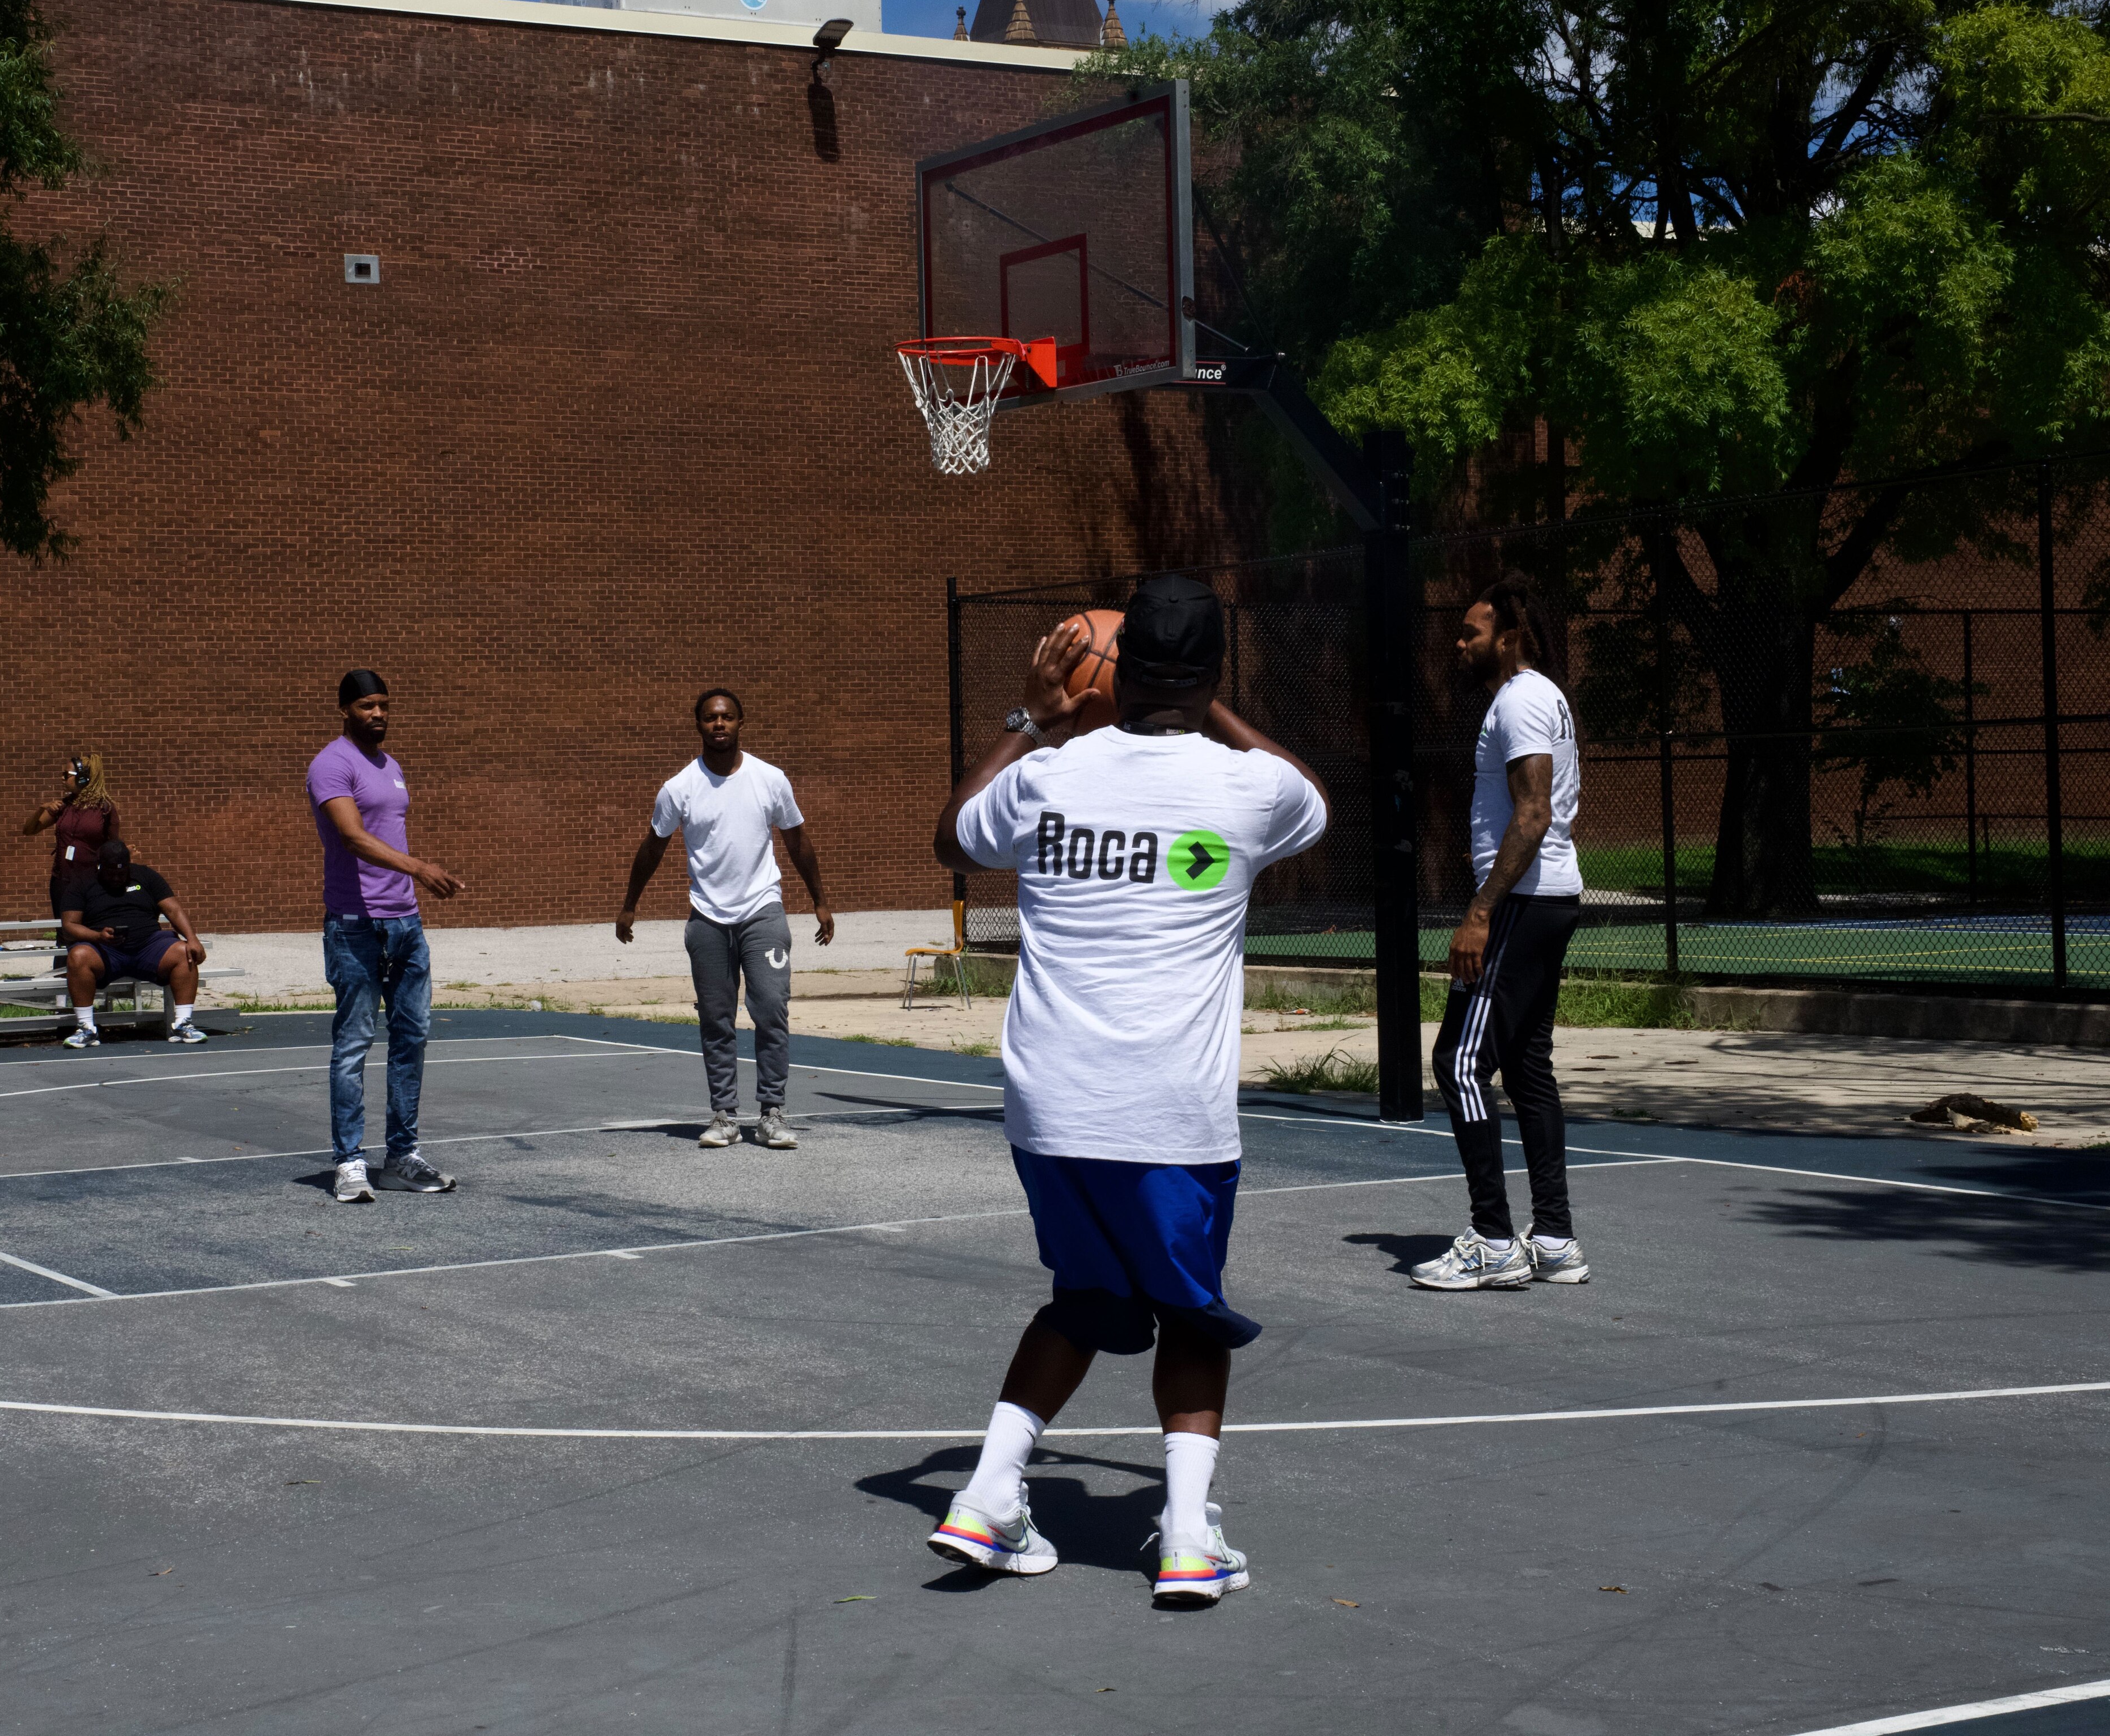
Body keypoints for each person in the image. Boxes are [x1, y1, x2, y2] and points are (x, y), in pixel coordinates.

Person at [929, 574, 1327, 1604]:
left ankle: (984, 1498)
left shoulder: (1049, 774)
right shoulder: (1247, 790)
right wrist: (1212, 704)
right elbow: (1302, 787)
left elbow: (951, 835)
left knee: (1086, 1296)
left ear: (1114, 668)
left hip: (1051, 1107)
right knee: (1189, 1317)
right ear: (1210, 674)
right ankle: (1189, 1538)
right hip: (1171, 1114)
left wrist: (1034, 719)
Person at [1411, 574, 1590, 1291]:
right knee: (1525, 1068)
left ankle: (1491, 1238)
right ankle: (1551, 1238)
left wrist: (1480, 910)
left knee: (1458, 1062)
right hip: (1546, 897)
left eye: (1470, 632)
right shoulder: (1541, 697)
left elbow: (1534, 813)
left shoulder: (1519, 700)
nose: (1459, 644)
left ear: (1508, 636)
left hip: (1519, 905)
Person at [615, 690, 835, 1150]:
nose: (720, 724)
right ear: (698, 725)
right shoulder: (679, 788)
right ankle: (725, 1116)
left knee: (771, 1009)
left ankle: (772, 1112)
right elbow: (652, 847)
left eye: (728, 717)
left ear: (741, 723)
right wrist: (630, 904)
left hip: (763, 910)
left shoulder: (769, 779)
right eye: (712, 718)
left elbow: (797, 842)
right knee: (717, 1019)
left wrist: (820, 900)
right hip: (708, 919)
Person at [308, 667, 464, 1202]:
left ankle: (401, 1157)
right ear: (345, 711)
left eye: (384, 705)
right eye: (367, 706)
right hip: (355, 926)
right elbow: (352, 837)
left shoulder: (390, 765)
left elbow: (385, 829)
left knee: (411, 1038)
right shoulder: (331, 764)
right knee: (353, 1044)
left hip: (405, 923)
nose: (378, 714)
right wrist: (418, 866)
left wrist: (411, 883)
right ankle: (350, 1161)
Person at [58, 839, 212, 1047]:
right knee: (78, 956)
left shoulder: (146, 876)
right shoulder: (81, 883)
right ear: (100, 866)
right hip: (104, 950)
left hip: (147, 946)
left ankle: (184, 1024)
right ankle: (86, 1028)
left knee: (184, 952)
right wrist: (98, 936)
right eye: (111, 873)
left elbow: (173, 910)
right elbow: (70, 925)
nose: (116, 878)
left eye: (122, 873)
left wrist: (192, 939)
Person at [23, 752, 119, 919]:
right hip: (62, 881)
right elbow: (29, 830)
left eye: (67, 775)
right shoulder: (63, 806)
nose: (62, 779)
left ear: (83, 778)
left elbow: (115, 845)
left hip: (92, 881)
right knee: (64, 931)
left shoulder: (105, 809)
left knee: (89, 927)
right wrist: (41, 808)